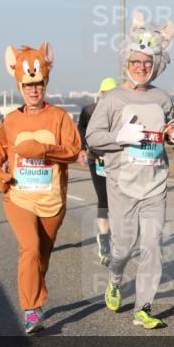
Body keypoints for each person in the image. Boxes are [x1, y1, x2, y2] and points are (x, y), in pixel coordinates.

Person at [86, 11, 174, 330]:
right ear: (126, 61)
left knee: (152, 246)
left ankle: (143, 307)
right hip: (122, 185)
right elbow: (92, 137)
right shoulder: (112, 99)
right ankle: (115, 279)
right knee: (123, 247)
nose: (141, 67)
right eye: (136, 61)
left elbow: (171, 122)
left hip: (155, 185)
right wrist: (119, 138)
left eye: (147, 63)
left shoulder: (162, 97)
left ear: (155, 65)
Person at [0, 42, 81, 334]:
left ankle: (35, 295)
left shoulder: (60, 117)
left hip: (51, 198)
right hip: (19, 196)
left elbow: (73, 150)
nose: (34, 90)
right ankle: (30, 310)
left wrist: (42, 150)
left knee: (42, 254)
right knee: (28, 248)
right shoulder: (12, 120)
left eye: (39, 84)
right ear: (19, 84)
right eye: (28, 85)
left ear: (45, 83)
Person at [77, 77, 118, 266]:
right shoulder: (89, 110)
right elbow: (81, 129)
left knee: (120, 200)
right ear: (101, 93)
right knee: (104, 199)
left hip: (118, 160)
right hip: (97, 160)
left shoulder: (123, 110)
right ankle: (104, 239)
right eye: (106, 93)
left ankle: (118, 238)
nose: (109, 97)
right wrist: (83, 149)